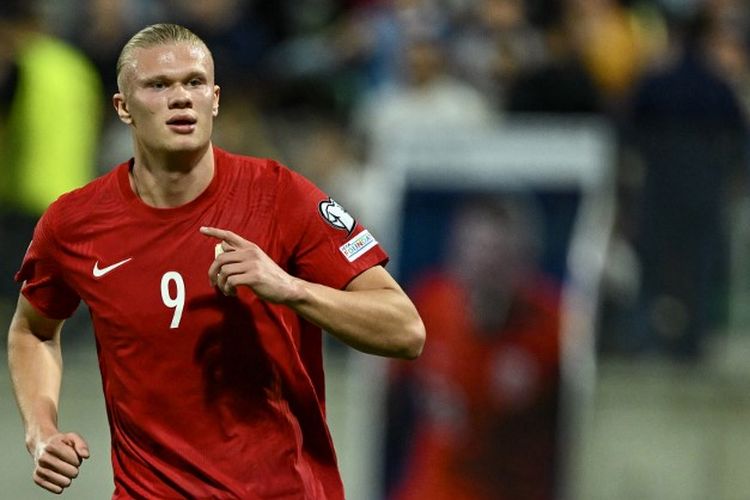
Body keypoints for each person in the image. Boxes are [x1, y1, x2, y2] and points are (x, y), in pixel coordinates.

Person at [7, 23, 425, 499]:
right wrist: (41, 429)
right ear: (123, 107)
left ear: (216, 99)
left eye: (194, 83)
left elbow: (406, 331)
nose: (181, 98)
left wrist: (292, 287)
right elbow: (33, 329)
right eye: (158, 86)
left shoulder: (280, 196)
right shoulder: (74, 223)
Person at [387, 196, 561, 500]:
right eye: (475, 254)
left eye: (498, 259)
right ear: (456, 255)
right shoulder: (427, 307)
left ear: (524, 261)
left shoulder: (555, 326)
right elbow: (386, 391)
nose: (484, 271)